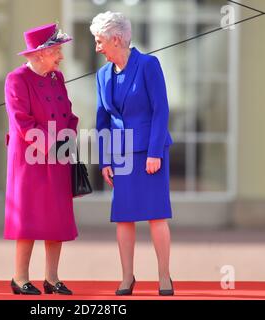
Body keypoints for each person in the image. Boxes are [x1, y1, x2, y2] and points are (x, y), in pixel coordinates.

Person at [90, 11, 174, 296]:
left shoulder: (149, 65)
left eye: (99, 41)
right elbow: (101, 120)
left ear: (116, 39)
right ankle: (127, 277)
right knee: (124, 217)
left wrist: (154, 153)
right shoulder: (102, 75)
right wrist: (104, 160)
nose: (97, 47)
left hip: (151, 152)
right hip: (120, 155)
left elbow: (161, 109)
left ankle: (164, 276)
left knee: (156, 215)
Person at [4, 23, 78, 295]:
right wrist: (53, 145)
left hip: (57, 156)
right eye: (56, 50)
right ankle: (20, 278)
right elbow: (22, 122)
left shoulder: (57, 79)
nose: (60, 56)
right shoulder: (16, 79)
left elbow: (69, 113)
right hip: (29, 159)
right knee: (29, 218)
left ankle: (52, 278)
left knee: (55, 219)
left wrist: (67, 139)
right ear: (38, 55)